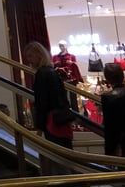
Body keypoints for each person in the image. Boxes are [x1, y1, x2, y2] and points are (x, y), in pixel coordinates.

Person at [24, 41, 73, 174]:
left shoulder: (42, 74)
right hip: (62, 119)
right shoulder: (53, 72)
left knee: (56, 158)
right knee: (64, 156)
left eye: (30, 56)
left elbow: (42, 102)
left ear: (39, 55)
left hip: (52, 121)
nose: (29, 60)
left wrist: (39, 127)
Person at [53, 40, 82, 113]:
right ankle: (65, 114)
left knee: (73, 98)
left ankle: (76, 115)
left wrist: (77, 78)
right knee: (63, 98)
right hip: (61, 80)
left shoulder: (71, 56)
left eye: (62, 45)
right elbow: (53, 68)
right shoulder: (55, 57)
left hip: (71, 79)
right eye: (60, 46)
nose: (61, 47)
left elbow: (75, 68)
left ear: (66, 46)